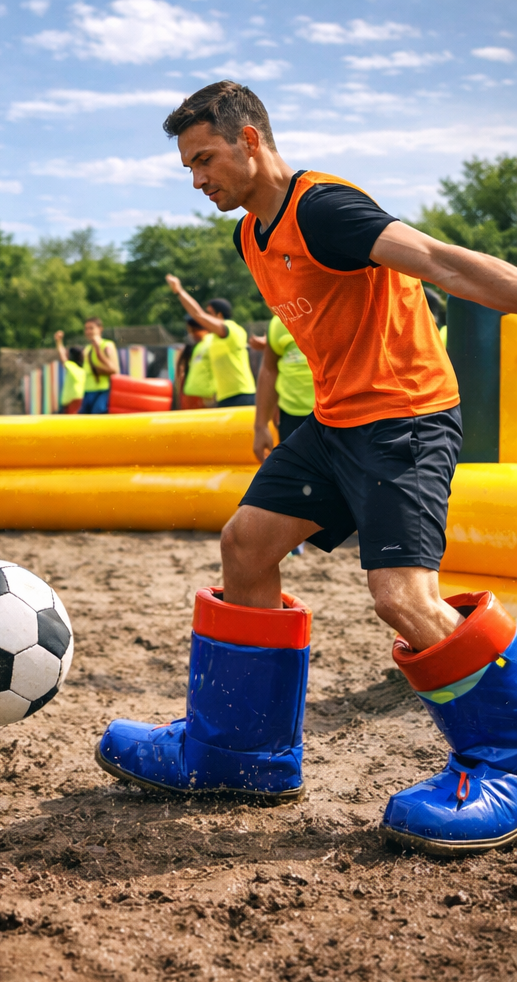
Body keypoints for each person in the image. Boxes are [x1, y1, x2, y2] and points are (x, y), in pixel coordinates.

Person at [96, 80, 517, 855]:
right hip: (334, 426)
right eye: (188, 166)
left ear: (249, 139)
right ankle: (243, 756)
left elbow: (437, 262)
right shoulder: (250, 236)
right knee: (246, 545)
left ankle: (505, 762)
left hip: (404, 421)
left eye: (205, 159)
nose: (197, 180)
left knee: (402, 599)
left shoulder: (323, 208)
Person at [165, 280, 255, 407]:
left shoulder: (232, 329)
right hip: (224, 396)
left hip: (241, 394)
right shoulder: (212, 338)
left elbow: (198, 315)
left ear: (219, 315)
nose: (206, 318)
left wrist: (179, 291)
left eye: (209, 314)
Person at [251, 314, 315, 461]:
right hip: (293, 417)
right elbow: (269, 369)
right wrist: (260, 426)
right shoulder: (280, 321)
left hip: (342, 418)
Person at [79, 317, 119, 414]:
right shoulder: (87, 349)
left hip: (104, 389)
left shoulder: (107, 345)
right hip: (88, 390)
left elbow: (114, 369)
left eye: (91, 328)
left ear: (100, 329)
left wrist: (98, 348)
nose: (88, 331)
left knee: (98, 412)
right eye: (86, 329)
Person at [179, 316, 216, 408]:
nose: (191, 334)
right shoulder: (199, 346)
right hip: (192, 394)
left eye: (192, 331)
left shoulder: (211, 342)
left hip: (206, 395)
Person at [53, 330, 86, 414]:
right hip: (82, 397)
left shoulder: (72, 367)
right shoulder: (85, 369)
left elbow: (62, 355)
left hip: (72, 400)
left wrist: (58, 341)